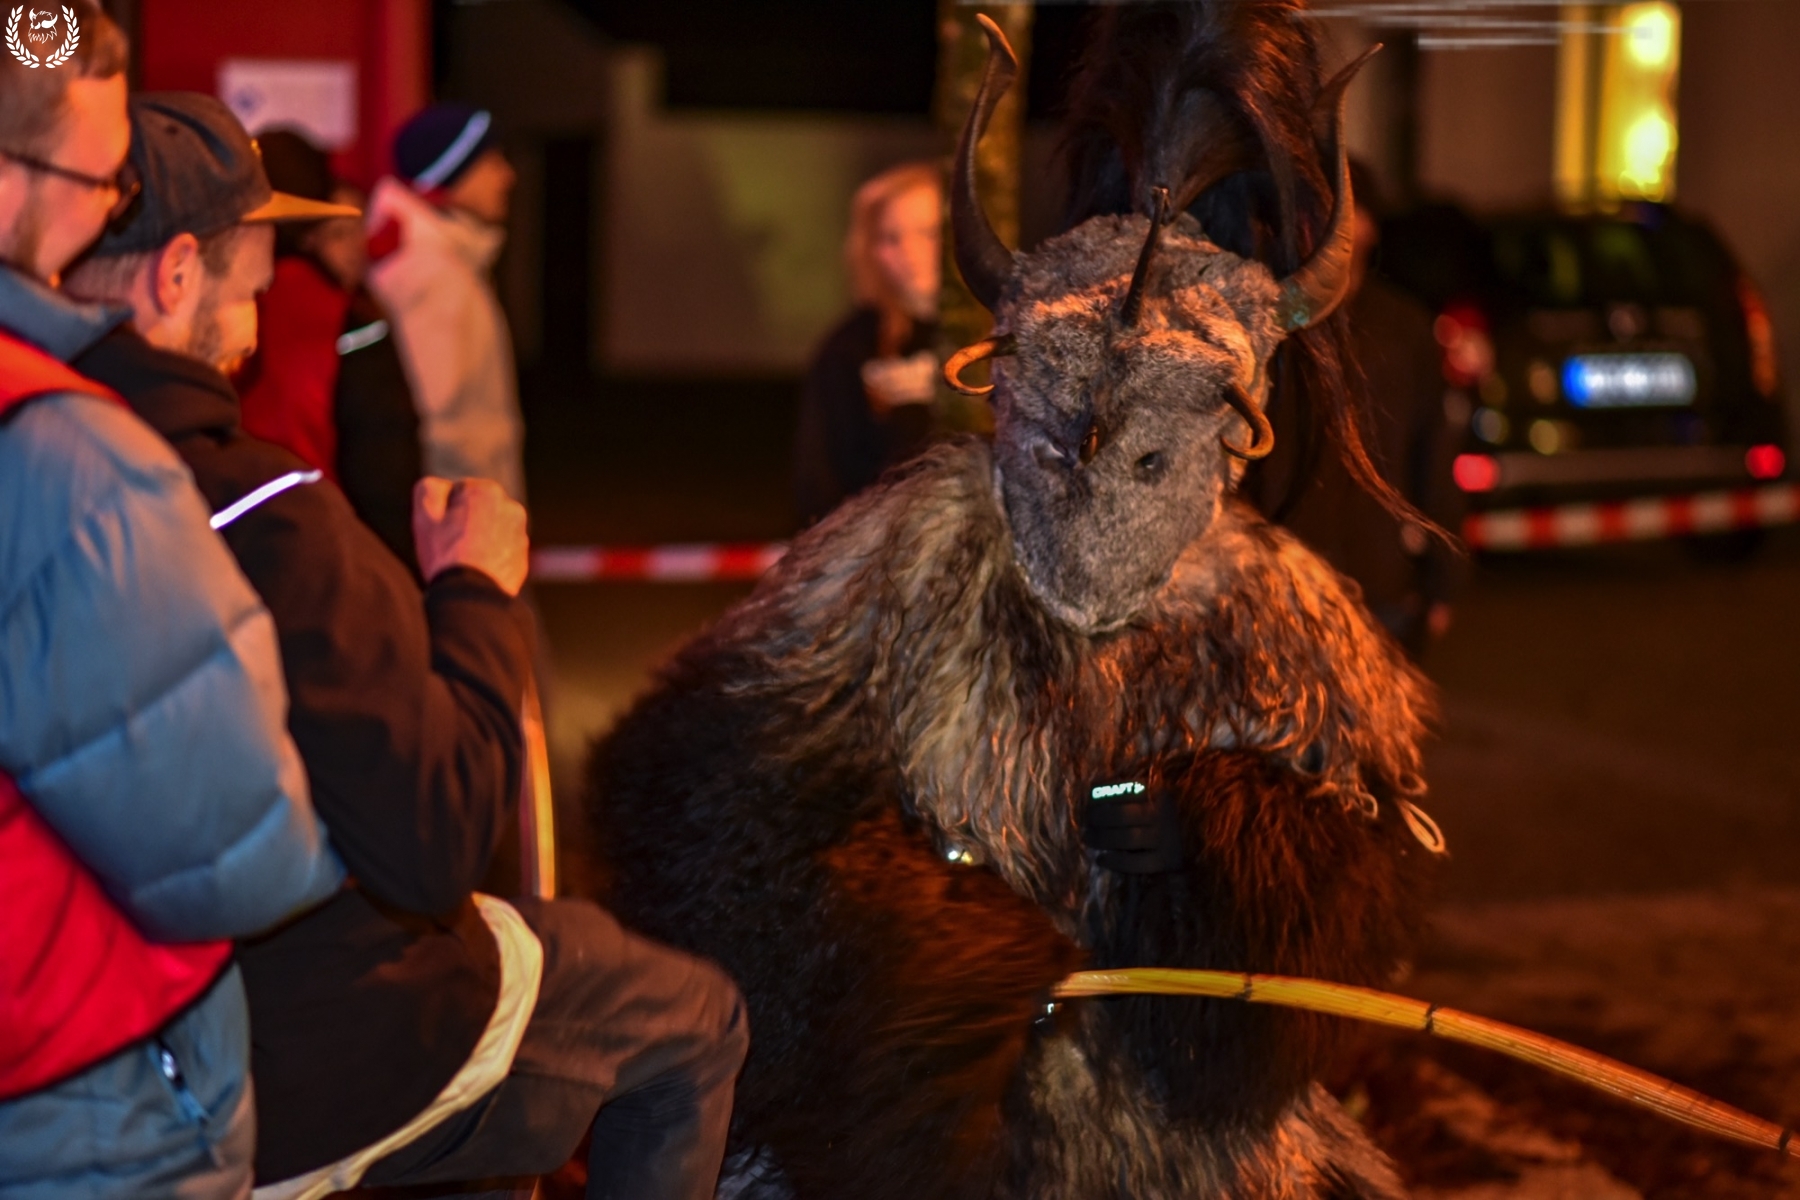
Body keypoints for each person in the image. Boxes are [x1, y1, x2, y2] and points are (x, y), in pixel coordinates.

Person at [64, 92, 747, 1200]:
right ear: (175, 273)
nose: (270, 282)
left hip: (95, 1035)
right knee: (694, 1023)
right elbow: (434, 840)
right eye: (252, 257)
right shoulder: (261, 512)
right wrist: (472, 587)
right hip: (281, 1053)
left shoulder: (48, 463)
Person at [0, 11, 343, 1199]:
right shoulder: (72, 464)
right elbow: (232, 848)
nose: (109, 209)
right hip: (83, 1105)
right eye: (101, 181)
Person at [1248, 161, 1466, 659]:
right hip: (1281, 584)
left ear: (1370, 225)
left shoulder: (1404, 329)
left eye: (1347, 212)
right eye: (1318, 215)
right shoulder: (1273, 324)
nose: (1334, 229)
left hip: (1379, 587)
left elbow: (1433, 454)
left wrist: (1443, 580)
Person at [236, 128, 423, 565]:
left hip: (238, 534)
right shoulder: (342, 314)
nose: (358, 246)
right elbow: (383, 461)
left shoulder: (218, 299)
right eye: (341, 231)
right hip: (330, 543)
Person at [366, 103, 526, 505]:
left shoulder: (445, 262)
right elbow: (431, 417)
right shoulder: (431, 274)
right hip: (459, 511)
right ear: (449, 175)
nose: (507, 176)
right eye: (492, 163)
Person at [793, 161, 942, 525]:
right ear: (867, 248)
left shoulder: (997, 333)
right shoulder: (851, 350)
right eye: (890, 238)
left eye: (928, 233)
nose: (910, 252)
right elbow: (820, 476)